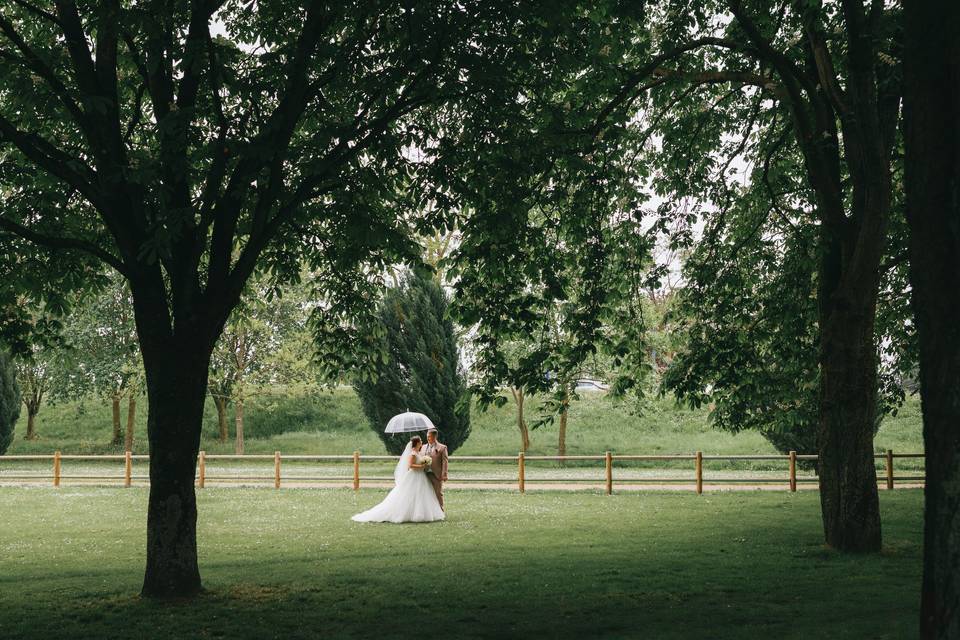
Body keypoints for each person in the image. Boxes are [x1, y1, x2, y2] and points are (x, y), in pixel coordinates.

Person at [351, 435, 445, 523]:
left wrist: (424, 464)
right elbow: (410, 466)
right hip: (413, 476)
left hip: (421, 476)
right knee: (407, 495)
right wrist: (421, 466)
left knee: (420, 495)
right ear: (416, 443)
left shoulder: (418, 452)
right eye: (420, 441)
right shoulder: (412, 453)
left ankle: (420, 514)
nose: (421, 442)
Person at [422, 427, 448, 510]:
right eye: (427, 436)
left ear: (435, 437)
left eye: (429, 436)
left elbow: (445, 462)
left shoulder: (442, 448)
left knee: (438, 493)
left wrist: (444, 474)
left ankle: (441, 511)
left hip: (436, 474)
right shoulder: (423, 447)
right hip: (424, 474)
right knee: (426, 493)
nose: (428, 438)